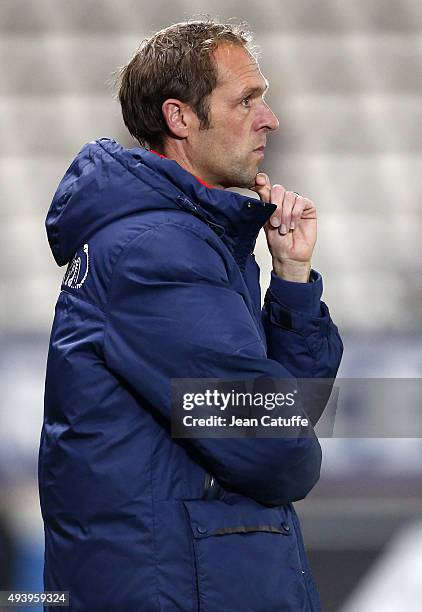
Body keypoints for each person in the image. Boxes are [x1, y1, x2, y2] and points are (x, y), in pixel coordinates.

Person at [39, 18, 343, 611]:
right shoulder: (154, 251)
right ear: (180, 118)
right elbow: (278, 449)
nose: (270, 118)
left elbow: (292, 413)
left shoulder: (192, 240)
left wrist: (293, 282)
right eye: (247, 99)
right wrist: (288, 438)